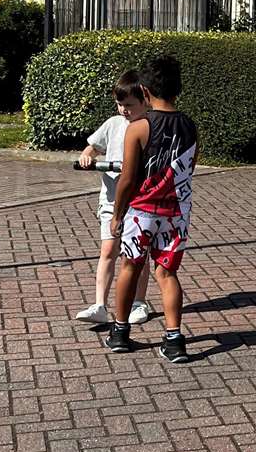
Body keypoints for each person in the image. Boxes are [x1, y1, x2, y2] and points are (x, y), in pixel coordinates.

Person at [107, 56, 199, 362]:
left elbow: (128, 179)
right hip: (176, 213)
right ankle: (174, 339)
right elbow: (188, 169)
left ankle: (120, 332)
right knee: (167, 272)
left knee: (130, 267)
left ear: (144, 91)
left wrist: (118, 214)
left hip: (141, 211)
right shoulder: (190, 127)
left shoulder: (139, 127)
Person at [76, 72, 153, 327]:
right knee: (108, 249)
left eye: (129, 105)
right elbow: (92, 147)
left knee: (136, 255)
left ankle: (139, 302)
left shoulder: (150, 127)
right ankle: (100, 305)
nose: (124, 110)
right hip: (111, 200)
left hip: (140, 202)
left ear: (146, 101)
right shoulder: (113, 124)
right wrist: (87, 156)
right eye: (120, 105)